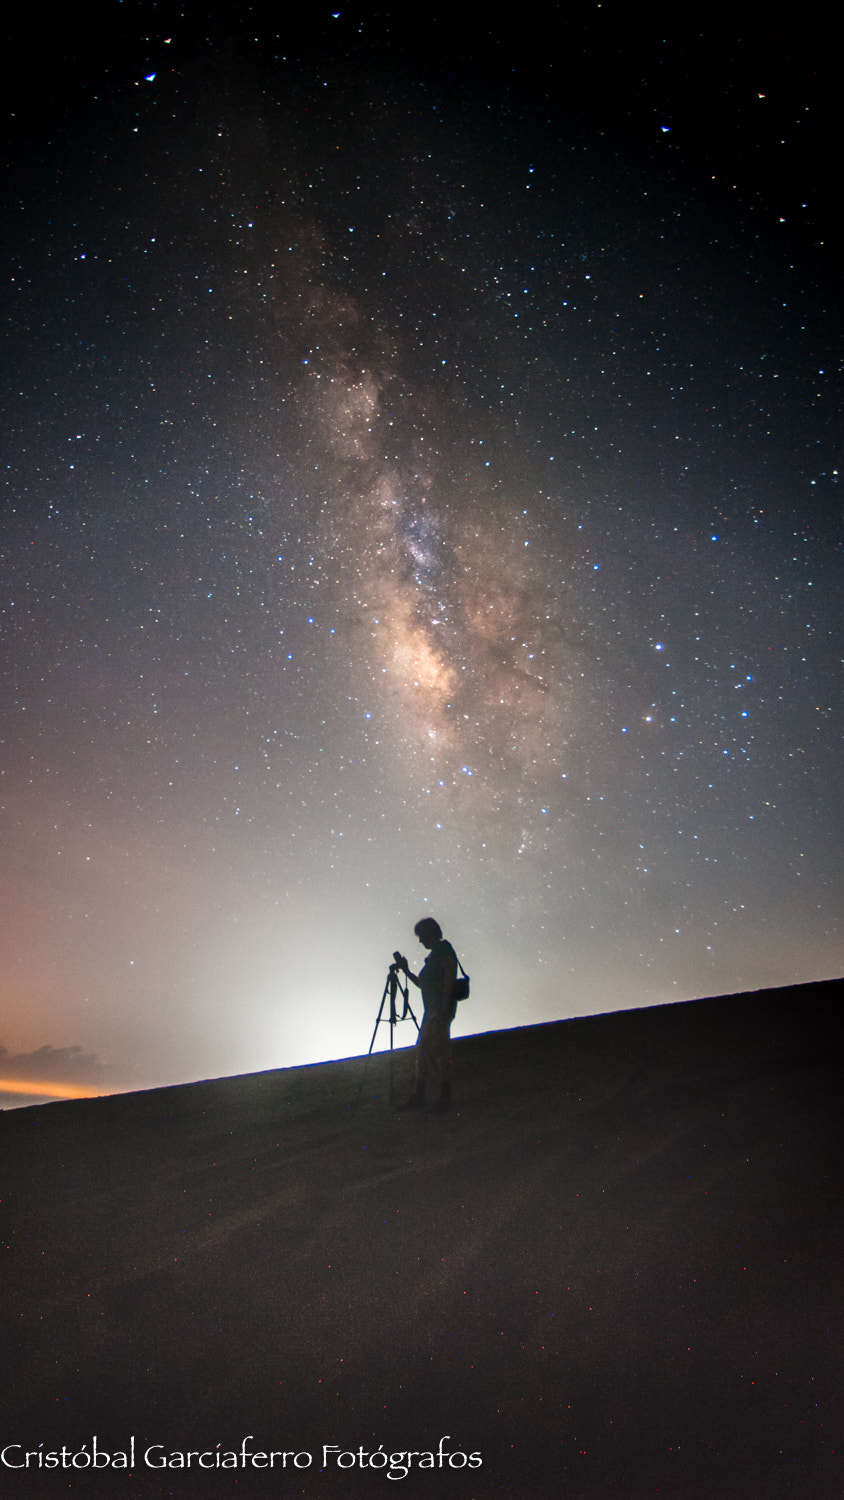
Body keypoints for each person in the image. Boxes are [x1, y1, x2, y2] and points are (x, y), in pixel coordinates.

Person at [395, 917, 458, 1111]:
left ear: (430, 933)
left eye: (422, 936)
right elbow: (423, 984)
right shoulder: (433, 956)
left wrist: (444, 1008)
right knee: (424, 1051)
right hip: (431, 1011)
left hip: (438, 1010)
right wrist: (406, 971)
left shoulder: (444, 950)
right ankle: (422, 1096)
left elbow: (449, 976)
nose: (420, 941)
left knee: (438, 1052)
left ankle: (441, 1099)